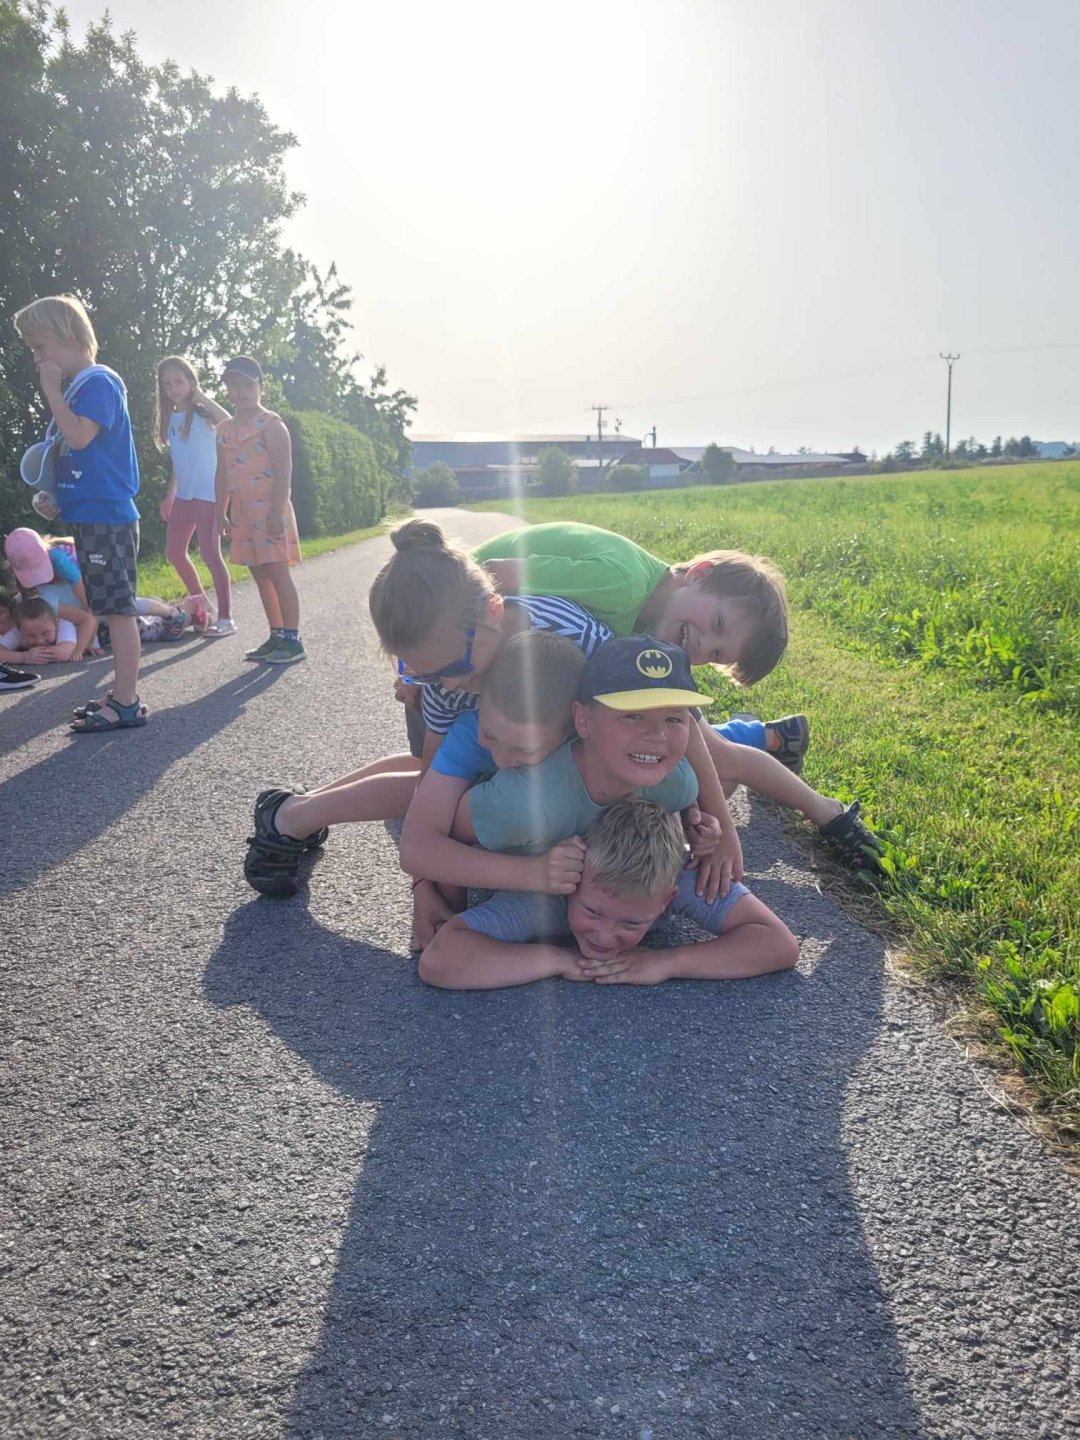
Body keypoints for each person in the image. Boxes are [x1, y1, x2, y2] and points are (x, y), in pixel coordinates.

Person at [467, 519, 808, 770]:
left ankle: (756, 738)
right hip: (463, 634)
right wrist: (451, 665)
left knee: (661, 738)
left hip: (518, 666)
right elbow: (491, 573)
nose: (701, 647)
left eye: (716, 654)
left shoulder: (658, 618)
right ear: (699, 574)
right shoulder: (622, 584)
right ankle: (755, 737)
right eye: (717, 624)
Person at [419, 795, 799, 990]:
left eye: (631, 923)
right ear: (573, 881)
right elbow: (440, 958)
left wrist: (668, 963)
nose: (603, 937)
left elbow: (778, 944)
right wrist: (559, 960)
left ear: (667, 899)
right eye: (593, 912)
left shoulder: (682, 877)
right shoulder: (548, 894)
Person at [13, 294, 146, 731]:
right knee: (108, 605)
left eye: (39, 347)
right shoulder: (77, 390)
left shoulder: (98, 383)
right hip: (90, 515)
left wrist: (52, 392)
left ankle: (126, 702)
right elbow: (74, 458)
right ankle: (122, 694)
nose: (37, 359)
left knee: (119, 610)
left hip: (109, 516)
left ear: (67, 335)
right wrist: (57, 498)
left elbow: (80, 437)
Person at [215, 356, 304, 664]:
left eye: (247, 384)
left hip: (268, 511)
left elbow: (284, 470)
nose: (240, 391)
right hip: (242, 514)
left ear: (260, 387)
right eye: (233, 385)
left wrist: (277, 509)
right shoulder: (224, 430)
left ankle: (293, 640)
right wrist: (220, 512)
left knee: (278, 572)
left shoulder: (271, 425)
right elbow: (222, 474)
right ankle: (276, 634)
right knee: (260, 574)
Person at [155, 356, 233, 636]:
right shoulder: (171, 421)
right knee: (174, 552)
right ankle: (205, 606)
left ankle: (226, 619)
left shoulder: (203, 414)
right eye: (167, 384)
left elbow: (229, 422)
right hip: (184, 497)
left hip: (208, 495)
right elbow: (179, 461)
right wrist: (170, 494)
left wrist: (199, 395)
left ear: (191, 382)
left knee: (211, 554)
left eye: (179, 382)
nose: (173, 388)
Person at [3, 527, 98, 659]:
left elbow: (91, 607)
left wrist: (87, 644)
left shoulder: (58, 559)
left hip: (96, 583)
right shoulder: (32, 595)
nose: (39, 641)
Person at [0, 595, 80, 664]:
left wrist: (36, 655)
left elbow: (65, 652)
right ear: (19, 630)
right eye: (31, 636)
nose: (39, 641)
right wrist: (24, 657)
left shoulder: (64, 625)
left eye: (45, 633)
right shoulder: (17, 631)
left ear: (56, 624)